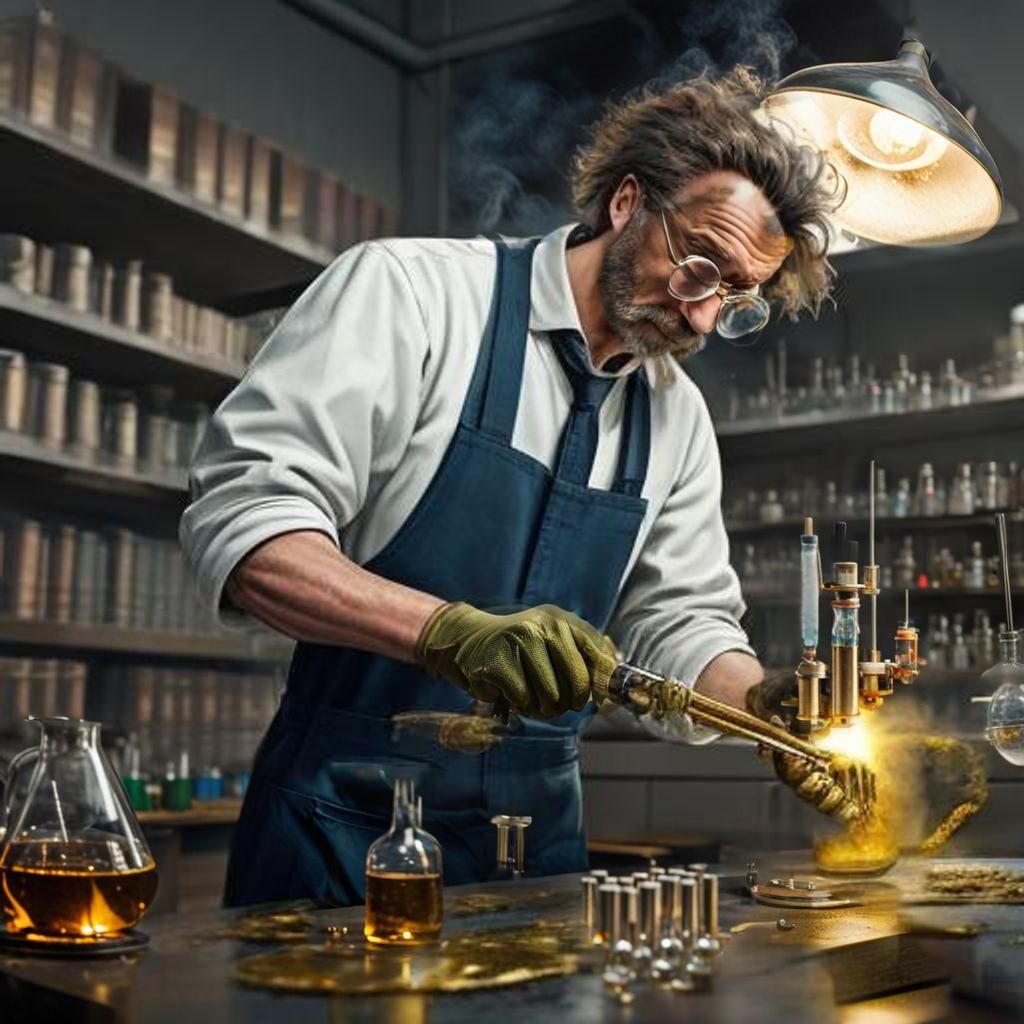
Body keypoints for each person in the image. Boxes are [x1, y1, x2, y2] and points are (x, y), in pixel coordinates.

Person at [180, 68, 837, 908]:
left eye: (737, 298)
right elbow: (247, 526)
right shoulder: (410, 295)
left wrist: (762, 706)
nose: (704, 317)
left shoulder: (676, 419)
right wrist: (451, 632)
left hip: (537, 851)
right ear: (628, 203)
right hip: (341, 831)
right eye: (700, 266)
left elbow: (679, 624)